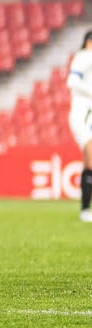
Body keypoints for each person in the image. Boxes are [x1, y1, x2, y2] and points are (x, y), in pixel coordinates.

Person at [68, 30, 92, 222]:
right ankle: (85, 210)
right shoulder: (84, 56)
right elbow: (72, 81)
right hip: (82, 112)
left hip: (87, 113)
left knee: (88, 161)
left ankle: (84, 209)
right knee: (90, 157)